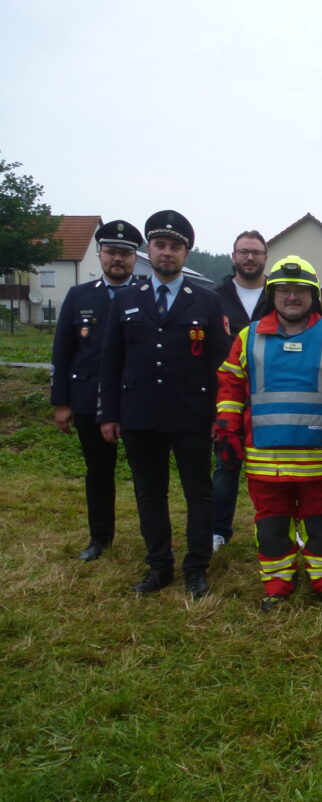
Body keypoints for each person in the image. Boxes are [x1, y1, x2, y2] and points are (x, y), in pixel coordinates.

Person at [214, 256, 322, 610]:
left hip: (318, 457)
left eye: (300, 290)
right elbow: (230, 390)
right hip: (266, 458)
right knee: (271, 525)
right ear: (273, 294)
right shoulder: (247, 338)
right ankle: (278, 585)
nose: (292, 296)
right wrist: (226, 432)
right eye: (284, 290)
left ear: (313, 296)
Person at [98, 210, 230, 599]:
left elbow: (220, 364)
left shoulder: (206, 301)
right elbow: (111, 360)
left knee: (198, 493)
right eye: (160, 245)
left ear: (186, 253)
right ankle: (159, 566)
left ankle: (196, 568)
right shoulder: (126, 299)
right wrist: (108, 413)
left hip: (192, 414)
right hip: (140, 412)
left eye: (175, 246)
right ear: (148, 249)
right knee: (149, 493)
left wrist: (219, 414)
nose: (166, 252)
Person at [51, 219, 144, 561]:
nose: (117, 259)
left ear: (135, 258)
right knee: (98, 472)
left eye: (125, 253)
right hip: (89, 398)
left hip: (136, 399)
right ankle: (99, 538)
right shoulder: (79, 296)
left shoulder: (147, 295)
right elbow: (62, 352)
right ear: (100, 254)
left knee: (146, 475)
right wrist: (61, 402)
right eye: (111, 252)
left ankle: (152, 538)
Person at [210, 230, 268, 553]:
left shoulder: (279, 294)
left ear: (265, 258)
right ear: (233, 256)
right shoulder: (213, 297)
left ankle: (284, 527)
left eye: (255, 252)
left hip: (270, 397)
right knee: (225, 465)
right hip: (227, 396)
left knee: (280, 463)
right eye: (243, 252)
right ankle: (219, 530)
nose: (249, 258)